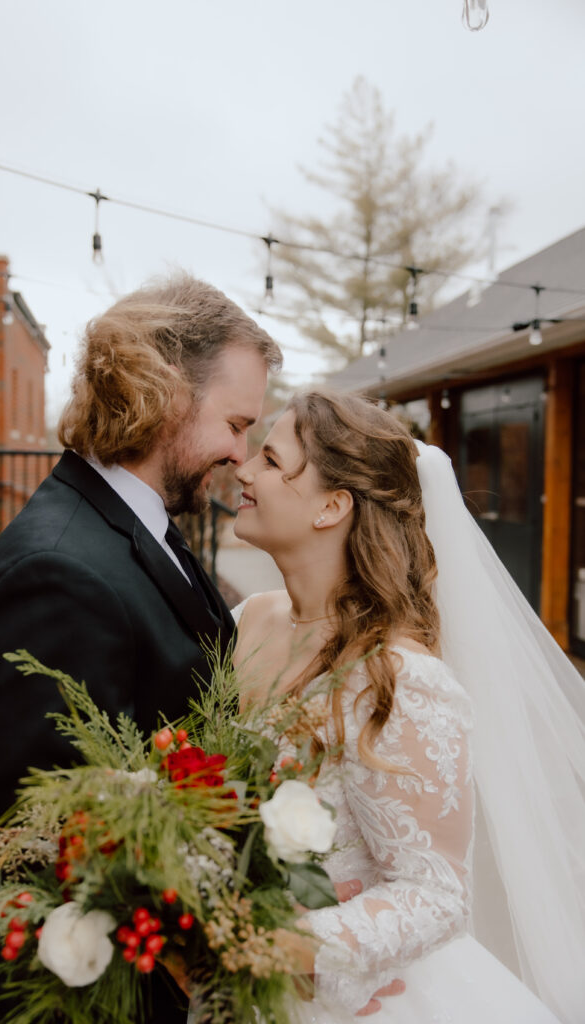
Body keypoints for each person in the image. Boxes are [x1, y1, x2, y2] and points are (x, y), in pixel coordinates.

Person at [0, 273, 281, 1024]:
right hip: (64, 994)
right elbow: (60, 835)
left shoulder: (136, 525)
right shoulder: (56, 569)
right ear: (165, 395)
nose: (241, 452)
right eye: (235, 423)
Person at [231, 389, 585, 1023]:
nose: (243, 470)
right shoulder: (249, 622)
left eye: (270, 459)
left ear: (332, 506)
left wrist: (282, 944)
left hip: (350, 997)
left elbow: (437, 893)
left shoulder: (397, 679)